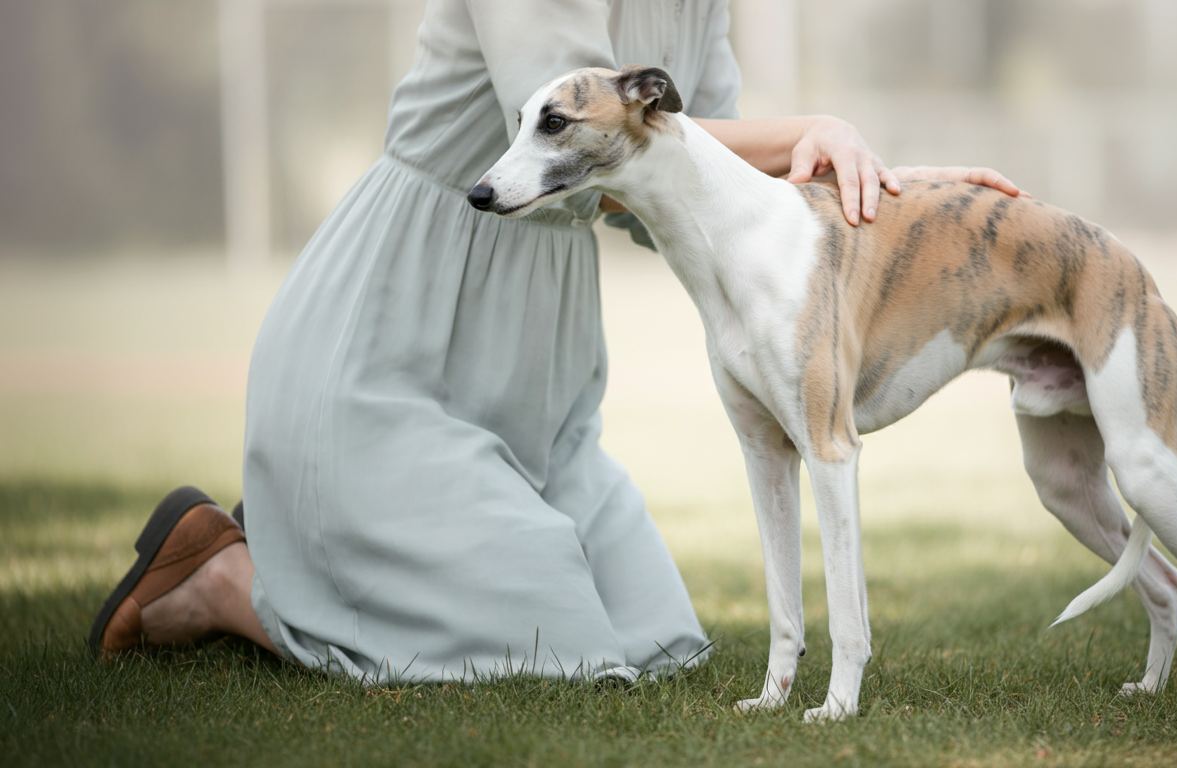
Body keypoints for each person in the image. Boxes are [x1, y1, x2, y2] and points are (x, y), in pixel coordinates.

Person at [89, 0, 1025, 682]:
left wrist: (904, 198)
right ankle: (224, 576)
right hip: (399, 333)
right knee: (548, 650)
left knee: (655, 642)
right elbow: (573, 118)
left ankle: (340, 557)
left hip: (542, 376)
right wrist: (820, 125)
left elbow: (701, 170)